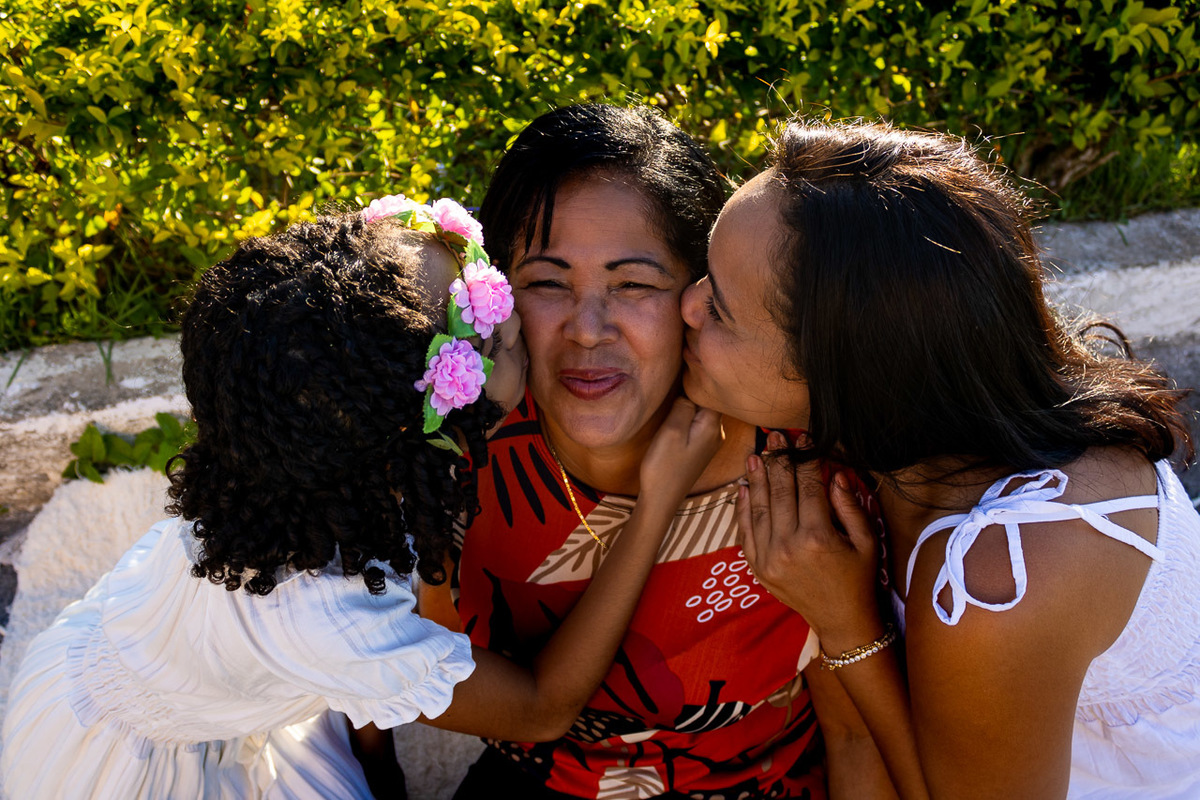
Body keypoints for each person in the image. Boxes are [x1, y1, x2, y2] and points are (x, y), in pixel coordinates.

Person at [0, 196, 723, 799]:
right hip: (119, 759)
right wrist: (656, 502)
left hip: (131, 662)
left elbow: (359, 661)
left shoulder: (310, 469)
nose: (509, 314)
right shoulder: (329, 622)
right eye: (486, 335)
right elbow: (540, 710)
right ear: (424, 418)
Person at [680, 117, 1200, 798]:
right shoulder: (924, 433)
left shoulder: (1007, 575)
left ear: (842, 369)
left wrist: (847, 625)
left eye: (718, 308)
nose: (684, 305)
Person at [422, 103, 893, 799]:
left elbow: (855, 737)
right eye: (548, 282)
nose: (588, 331)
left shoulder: (797, 467)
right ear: (501, 294)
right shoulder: (451, 457)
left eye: (633, 284)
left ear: (700, 292)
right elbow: (381, 667)